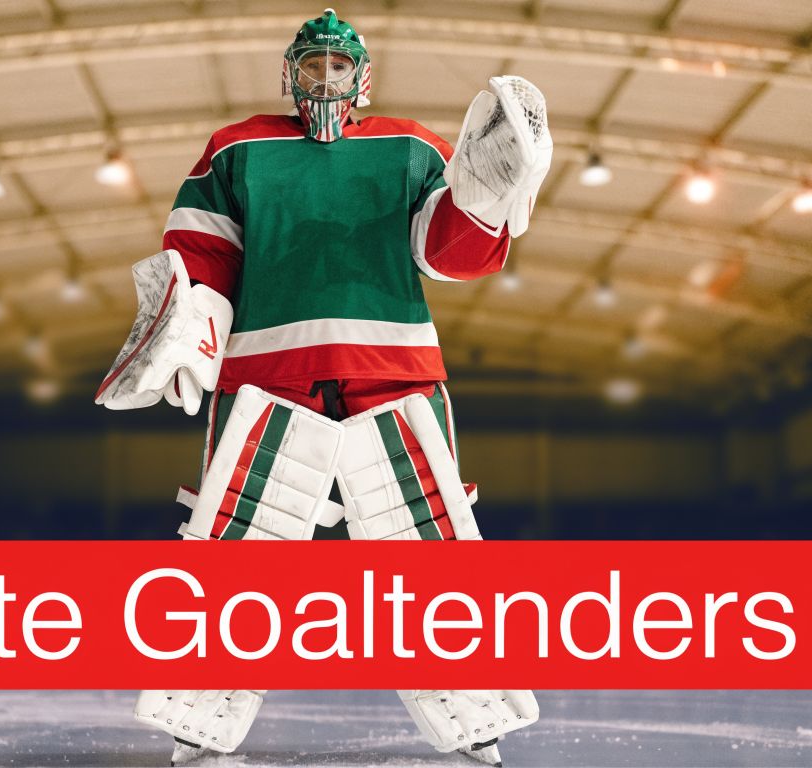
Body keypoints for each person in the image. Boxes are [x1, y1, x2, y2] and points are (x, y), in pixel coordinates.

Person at [95, 8, 552, 765]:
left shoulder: (412, 145)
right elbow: (201, 252)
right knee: (238, 546)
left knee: (428, 547)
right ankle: (196, 718)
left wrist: (483, 198)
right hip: (265, 369)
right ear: (290, 73)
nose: (327, 78)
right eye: (314, 65)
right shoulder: (237, 147)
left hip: (392, 367)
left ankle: (477, 717)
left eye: (339, 66)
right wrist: (187, 331)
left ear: (363, 77)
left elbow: (447, 256)